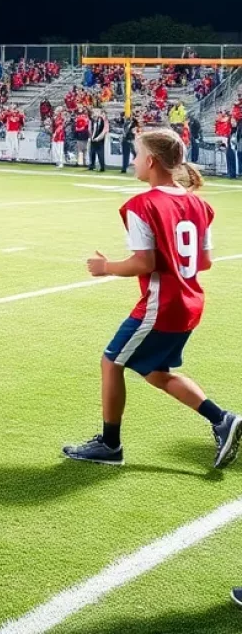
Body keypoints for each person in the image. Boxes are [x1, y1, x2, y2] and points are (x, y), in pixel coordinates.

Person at [63, 128, 241, 468]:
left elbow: (144, 263)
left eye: (136, 154)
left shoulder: (142, 205)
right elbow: (204, 261)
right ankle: (222, 419)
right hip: (189, 303)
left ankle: (110, 445)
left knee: (111, 362)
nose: (133, 161)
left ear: (152, 161)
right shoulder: (199, 204)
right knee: (156, 372)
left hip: (163, 305)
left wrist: (106, 267)